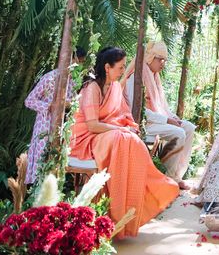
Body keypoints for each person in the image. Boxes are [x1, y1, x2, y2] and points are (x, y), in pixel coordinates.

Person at [70, 47, 179, 239]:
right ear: (107, 67)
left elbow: (122, 114)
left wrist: (127, 126)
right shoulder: (91, 88)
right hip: (86, 138)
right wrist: (120, 129)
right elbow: (93, 125)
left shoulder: (114, 87)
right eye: (120, 67)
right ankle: (114, 211)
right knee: (122, 138)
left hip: (107, 135)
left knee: (131, 139)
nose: (123, 71)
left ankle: (127, 209)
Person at [123, 41, 196, 189]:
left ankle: (176, 176)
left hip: (155, 122)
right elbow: (136, 111)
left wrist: (172, 117)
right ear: (150, 57)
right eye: (159, 59)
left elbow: (161, 106)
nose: (162, 63)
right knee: (179, 133)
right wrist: (167, 120)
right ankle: (168, 178)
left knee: (188, 127)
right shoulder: (135, 77)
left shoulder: (154, 76)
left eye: (165, 60)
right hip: (140, 124)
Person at [24, 46, 87, 185]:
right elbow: (29, 101)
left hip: (64, 129)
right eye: (78, 61)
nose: (79, 66)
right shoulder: (50, 78)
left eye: (81, 63)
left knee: (56, 166)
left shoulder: (75, 82)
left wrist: (71, 104)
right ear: (68, 59)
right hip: (45, 126)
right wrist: (50, 106)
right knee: (42, 164)